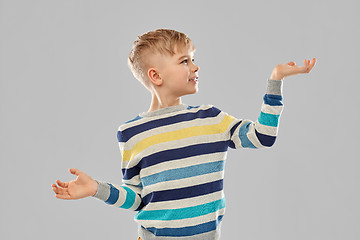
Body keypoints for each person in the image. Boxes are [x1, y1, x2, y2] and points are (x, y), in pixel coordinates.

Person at [52, 29, 316, 240]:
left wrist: (276, 80)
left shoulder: (212, 119)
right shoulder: (131, 133)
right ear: (156, 75)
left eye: (194, 59)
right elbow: (137, 198)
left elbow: (263, 137)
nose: (195, 67)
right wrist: (96, 189)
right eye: (184, 61)